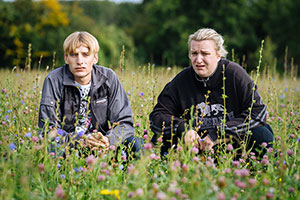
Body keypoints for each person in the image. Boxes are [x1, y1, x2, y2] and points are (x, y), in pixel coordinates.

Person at [149, 28, 273, 157]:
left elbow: (258, 112)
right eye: (194, 53)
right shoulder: (181, 81)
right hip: (195, 147)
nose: (198, 60)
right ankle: (170, 173)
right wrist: (183, 129)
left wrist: (218, 134)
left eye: (205, 53)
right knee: (162, 137)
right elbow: (157, 116)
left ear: (218, 55)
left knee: (262, 133)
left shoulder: (235, 74)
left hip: (231, 143)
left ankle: (257, 171)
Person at [38, 31, 142, 158]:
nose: (80, 61)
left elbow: (124, 122)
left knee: (135, 144)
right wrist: (79, 141)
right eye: (74, 55)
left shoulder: (108, 78)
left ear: (95, 58)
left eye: (85, 55)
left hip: (102, 146)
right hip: (69, 148)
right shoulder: (53, 80)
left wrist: (108, 140)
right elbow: (48, 129)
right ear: (66, 58)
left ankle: (128, 176)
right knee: (51, 147)